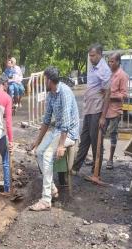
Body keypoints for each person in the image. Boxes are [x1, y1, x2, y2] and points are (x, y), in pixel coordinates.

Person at [29, 66, 80, 211]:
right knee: (39, 152)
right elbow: (46, 121)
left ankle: (46, 200)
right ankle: (51, 187)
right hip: (57, 130)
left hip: (69, 133)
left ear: (50, 80)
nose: (43, 81)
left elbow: (65, 124)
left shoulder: (64, 93)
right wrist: (36, 142)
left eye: (45, 79)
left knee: (47, 156)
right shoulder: (51, 94)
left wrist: (61, 146)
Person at [72, 44, 111, 176]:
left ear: (100, 54)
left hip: (97, 110)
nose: (91, 58)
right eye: (89, 55)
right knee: (84, 139)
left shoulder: (104, 70)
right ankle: (76, 168)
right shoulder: (93, 67)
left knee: (96, 142)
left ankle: (96, 172)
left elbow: (107, 95)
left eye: (93, 55)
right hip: (88, 109)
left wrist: (103, 117)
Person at [101, 53, 128, 170]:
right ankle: (98, 158)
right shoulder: (108, 74)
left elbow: (124, 95)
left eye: (112, 61)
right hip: (104, 110)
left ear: (118, 62)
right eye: (109, 61)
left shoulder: (122, 75)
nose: (110, 63)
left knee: (113, 135)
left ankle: (110, 159)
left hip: (115, 111)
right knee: (99, 133)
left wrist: (109, 97)